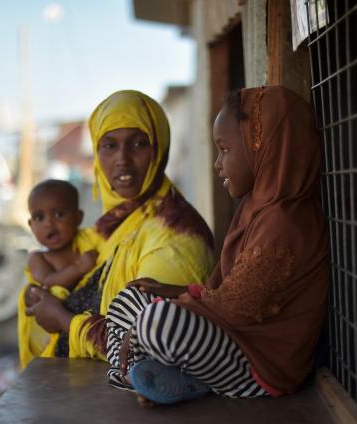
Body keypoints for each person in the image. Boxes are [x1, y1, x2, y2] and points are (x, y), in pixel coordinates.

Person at [105, 86, 329, 405]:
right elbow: (222, 292)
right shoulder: (256, 209)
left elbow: (238, 307)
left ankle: (155, 376)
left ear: (261, 147)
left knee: (159, 322)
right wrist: (178, 293)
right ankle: (146, 378)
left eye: (224, 149)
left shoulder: (286, 221)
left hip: (260, 367)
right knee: (129, 299)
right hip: (230, 341)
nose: (217, 164)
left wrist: (174, 304)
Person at [18, 90, 215, 369]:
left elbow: (144, 344)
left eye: (138, 144)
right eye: (109, 146)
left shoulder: (177, 236)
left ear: (159, 149)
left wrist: (62, 319)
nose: (122, 159)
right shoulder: (114, 225)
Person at [21, 179, 99, 361]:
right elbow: (47, 282)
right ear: (31, 225)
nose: (49, 223)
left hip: (84, 331)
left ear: (78, 218)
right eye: (39, 217)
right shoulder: (38, 258)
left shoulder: (86, 245)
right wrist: (79, 268)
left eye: (59, 214)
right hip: (55, 337)